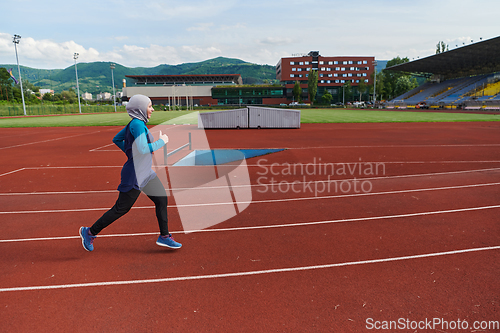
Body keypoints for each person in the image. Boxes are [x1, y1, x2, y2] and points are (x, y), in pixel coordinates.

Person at [79, 94, 181, 251]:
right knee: (121, 208)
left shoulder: (135, 124)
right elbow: (142, 148)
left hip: (146, 173)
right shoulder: (137, 125)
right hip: (135, 175)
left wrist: (131, 154)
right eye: (149, 106)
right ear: (140, 108)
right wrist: (163, 142)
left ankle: (165, 236)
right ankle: (90, 232)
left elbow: (117, 139)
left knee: (161, 199)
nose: (152, 109)